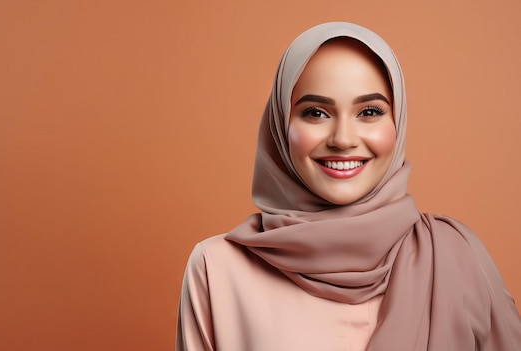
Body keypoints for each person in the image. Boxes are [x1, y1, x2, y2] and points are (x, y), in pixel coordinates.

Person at [175, 22, 521, 350]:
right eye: (316, 113)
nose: (343, 139)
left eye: (369, 111)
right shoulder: (216, 269)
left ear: (397, 122)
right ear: (280, 125)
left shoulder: (457, 258)